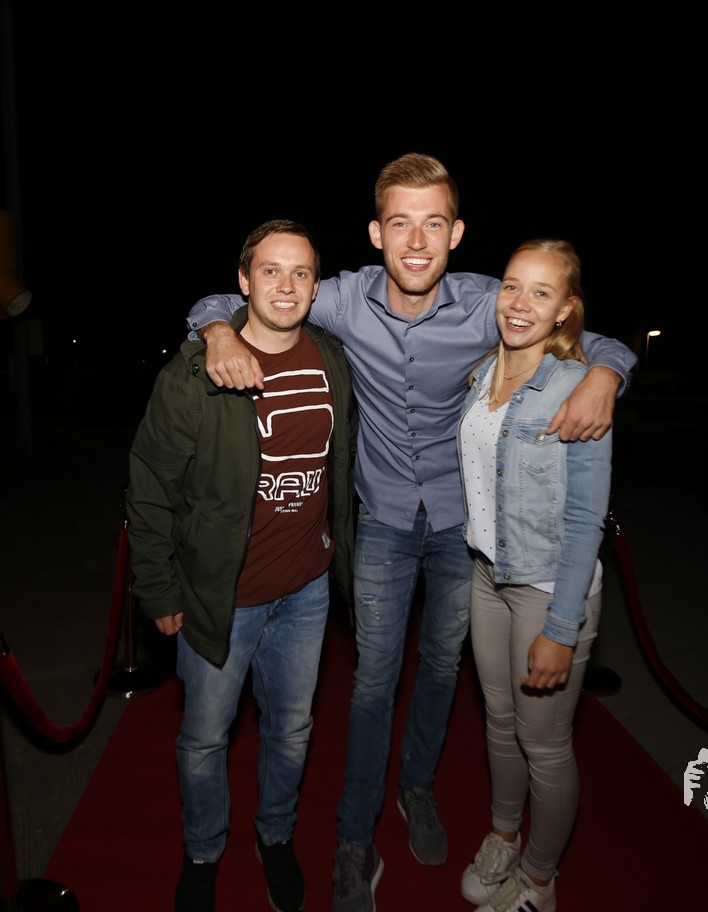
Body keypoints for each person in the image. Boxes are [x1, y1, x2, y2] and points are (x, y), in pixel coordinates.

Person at [186, 153, 637, 912]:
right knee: (372, 680)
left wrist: (607, 375)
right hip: (383, 523)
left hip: (465, 530)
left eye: (434, 223)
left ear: (456, 233)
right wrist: (217, 335)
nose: (417, 241)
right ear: (377, 232)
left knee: (440, 671)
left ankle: (418, 788)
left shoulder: (491, 301)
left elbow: (589, 332)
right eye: (401, 223)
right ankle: (353, 838)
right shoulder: (341, 298)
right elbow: (232, 296)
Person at [127, 219, 356, 912]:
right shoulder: (196, 371)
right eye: (270, 271)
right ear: (243, 280)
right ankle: (204, 850)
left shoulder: (332, 359)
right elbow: (150, 486)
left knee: (293, 730)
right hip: (221, 597)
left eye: (300, 273)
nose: (285, 286)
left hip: (307, 591)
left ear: (316, 285)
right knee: (204, 738)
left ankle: (275, 835)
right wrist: (158, 588)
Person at [455, 239, 612, 912]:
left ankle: (540, 879)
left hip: (549, 588)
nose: (520, 304)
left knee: (543, 744)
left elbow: (586, 518)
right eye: (512, 286)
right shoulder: (482, 372)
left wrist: (562, 626)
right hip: (487, 576)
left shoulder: (577, 387)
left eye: (541, 293)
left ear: (565, 310)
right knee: (499, 721)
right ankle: (503, 836)